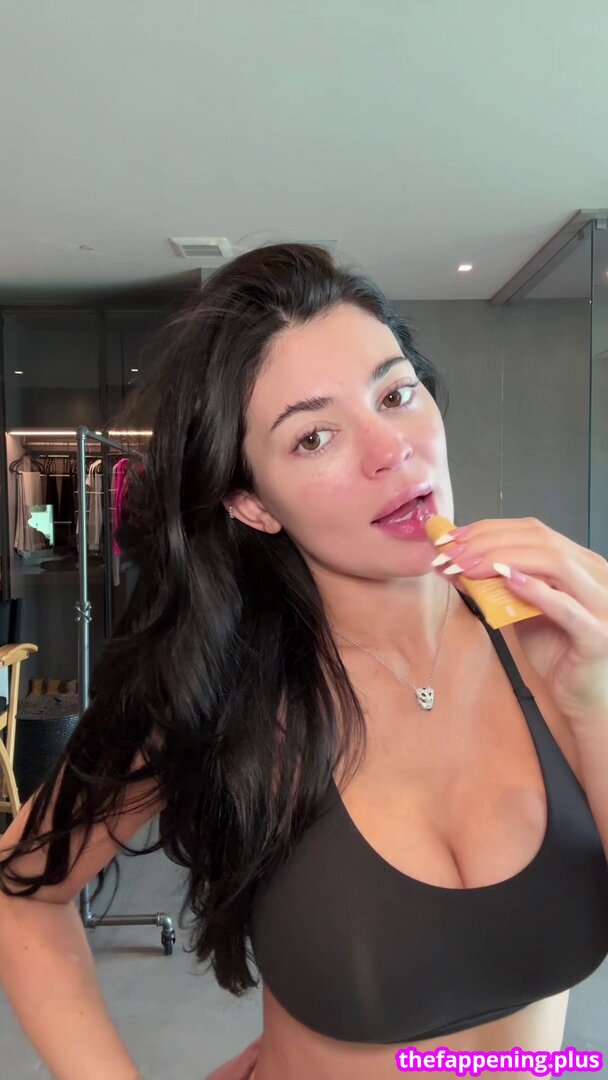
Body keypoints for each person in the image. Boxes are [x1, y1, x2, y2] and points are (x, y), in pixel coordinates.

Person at [1, 242, 608, 1080]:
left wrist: (593, 702)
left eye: (396, 394)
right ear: (252, 503)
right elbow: (22, 897)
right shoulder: (214, 685)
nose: (390, 450)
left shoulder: (567, 640)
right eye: (315, 436)